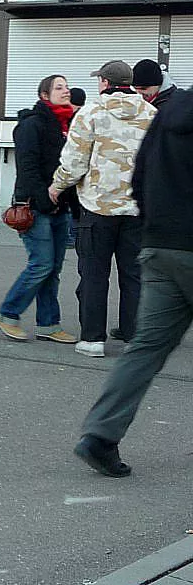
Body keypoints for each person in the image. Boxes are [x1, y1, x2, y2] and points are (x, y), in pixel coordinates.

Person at [74, 84, 193, 477]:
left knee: (146, 347)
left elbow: (139, 172)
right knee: (147, 345)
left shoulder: (170, 112)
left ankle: (100, 435)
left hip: (160, 245)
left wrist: (152, 226)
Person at [49, 61, 156, 357]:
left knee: (95, 273)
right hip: (137, 208)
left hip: (98, 207)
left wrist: (58, 185)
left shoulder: (92, 112)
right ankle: (135, 338)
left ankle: (93, 339)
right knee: (133, 273)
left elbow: (74, 160)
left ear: (105, 83)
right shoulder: (151, 113)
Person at [0, 75, 81, 344]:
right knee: (41, 264)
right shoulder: (32, 125)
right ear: (44, 95)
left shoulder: (67, 125)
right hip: (35, 206)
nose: (66, 91)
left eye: (66, 87)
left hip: (60, 206)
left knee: (52, 268)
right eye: (59, 87)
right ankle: (7, 313)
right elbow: (28, 168)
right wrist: (44, 200)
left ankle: (49, 324)